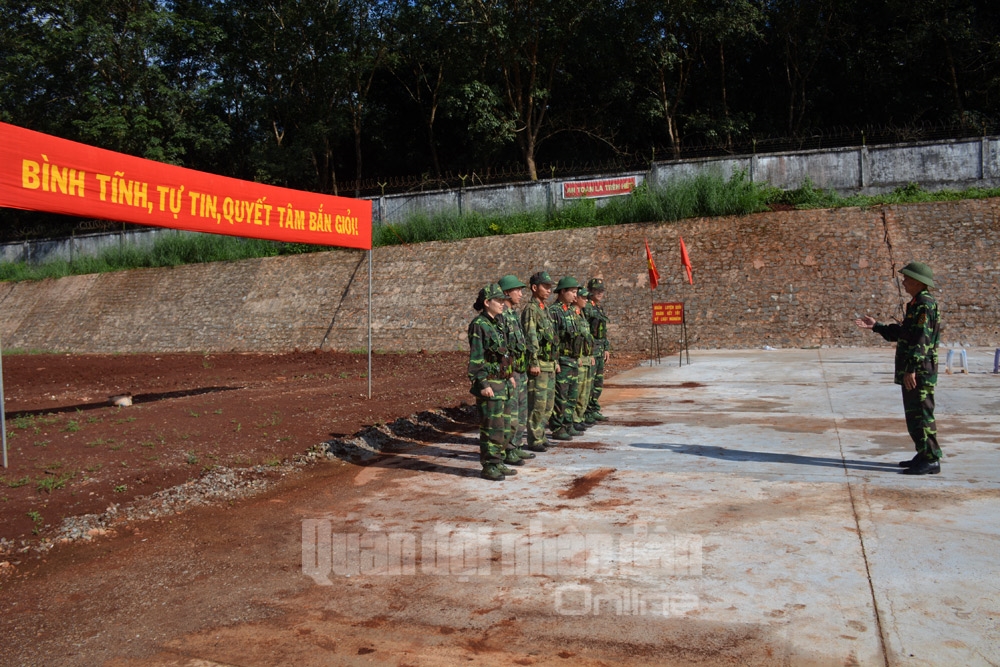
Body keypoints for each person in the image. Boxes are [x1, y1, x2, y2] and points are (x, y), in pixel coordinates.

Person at [854, 262, 943, 475]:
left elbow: (921, 340)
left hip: (919, 371)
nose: (903, 282)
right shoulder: (916, 303)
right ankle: (923, 453)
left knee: (922, 414)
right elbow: (905, 333)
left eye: (907, 279)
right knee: (914, 415)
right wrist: (877, 326)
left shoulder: (924, 305)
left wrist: (911, 368)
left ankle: (931, 459)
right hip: (915, 370)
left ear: (918, 282)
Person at [468, 283, 518, 481]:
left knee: (504, 426)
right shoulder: (479, 325)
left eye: (503, 300)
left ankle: (498, 461)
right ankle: (489, 465)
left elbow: (504, 354)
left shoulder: (498, 323)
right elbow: (476, 358)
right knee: (491, 427)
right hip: (490, 383)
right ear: (487, 302)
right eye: (498, 300)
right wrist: (483, 383)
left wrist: (510, 374)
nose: (502, 304)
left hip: (502, 382)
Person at [497, 274, 534, 465]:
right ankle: (507, 449)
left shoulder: (513, 315)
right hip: (510, 372)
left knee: (521, 412)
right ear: (506, 293)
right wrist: (508, 372)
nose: (520, 294)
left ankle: (516, 445)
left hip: (520, 370)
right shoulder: (501, 316)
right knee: (510, 415)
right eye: (517, 290)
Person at [521, 271, 559, 452]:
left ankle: (541, 435)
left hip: (549, 363)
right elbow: (531, 337)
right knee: (537, 404)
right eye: (545, 286)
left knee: (548, 405)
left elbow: (551, 338)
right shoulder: (531, 309)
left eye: (550, 287)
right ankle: (534, 439)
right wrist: (533, 361)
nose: (549, 290)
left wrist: (555, 361)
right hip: (540, 364)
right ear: (534, 288)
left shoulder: (544, 309)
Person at [549, 276, 586, 440]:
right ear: (562, 291)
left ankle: (568, 424)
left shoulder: (570, 311)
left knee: (572, 395)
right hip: (562, 360)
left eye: (576, 292)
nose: (575, 295)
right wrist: (555, 360)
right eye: (572, 292)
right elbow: (553, 338)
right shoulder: (554, 311)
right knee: (561, 397)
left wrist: (578, 356)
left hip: (573, 360)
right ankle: (558, 427)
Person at [584, 278, 611, 423]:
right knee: (589, 382)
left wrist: (606, 348)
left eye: (601, 290)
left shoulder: (598, 308)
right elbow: (585, 331)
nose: (599, 293)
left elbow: (603, 331)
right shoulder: (587, 308)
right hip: (592, 350)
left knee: (598, 383)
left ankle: (593, 409)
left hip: (600, 350)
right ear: (590, 291)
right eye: (596, 290)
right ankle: (586, 412)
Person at [571, 286, 596, 433]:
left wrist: (590, 355)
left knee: (585, 391)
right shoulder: (572, 315)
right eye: (584, 297)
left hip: (586, 357)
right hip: (579, 358)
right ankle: (574, 419)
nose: (586, 300)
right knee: (577, 390)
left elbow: (587, 338)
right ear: (576, 298)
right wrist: (578, 357)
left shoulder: (582, 315)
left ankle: (580, 417)